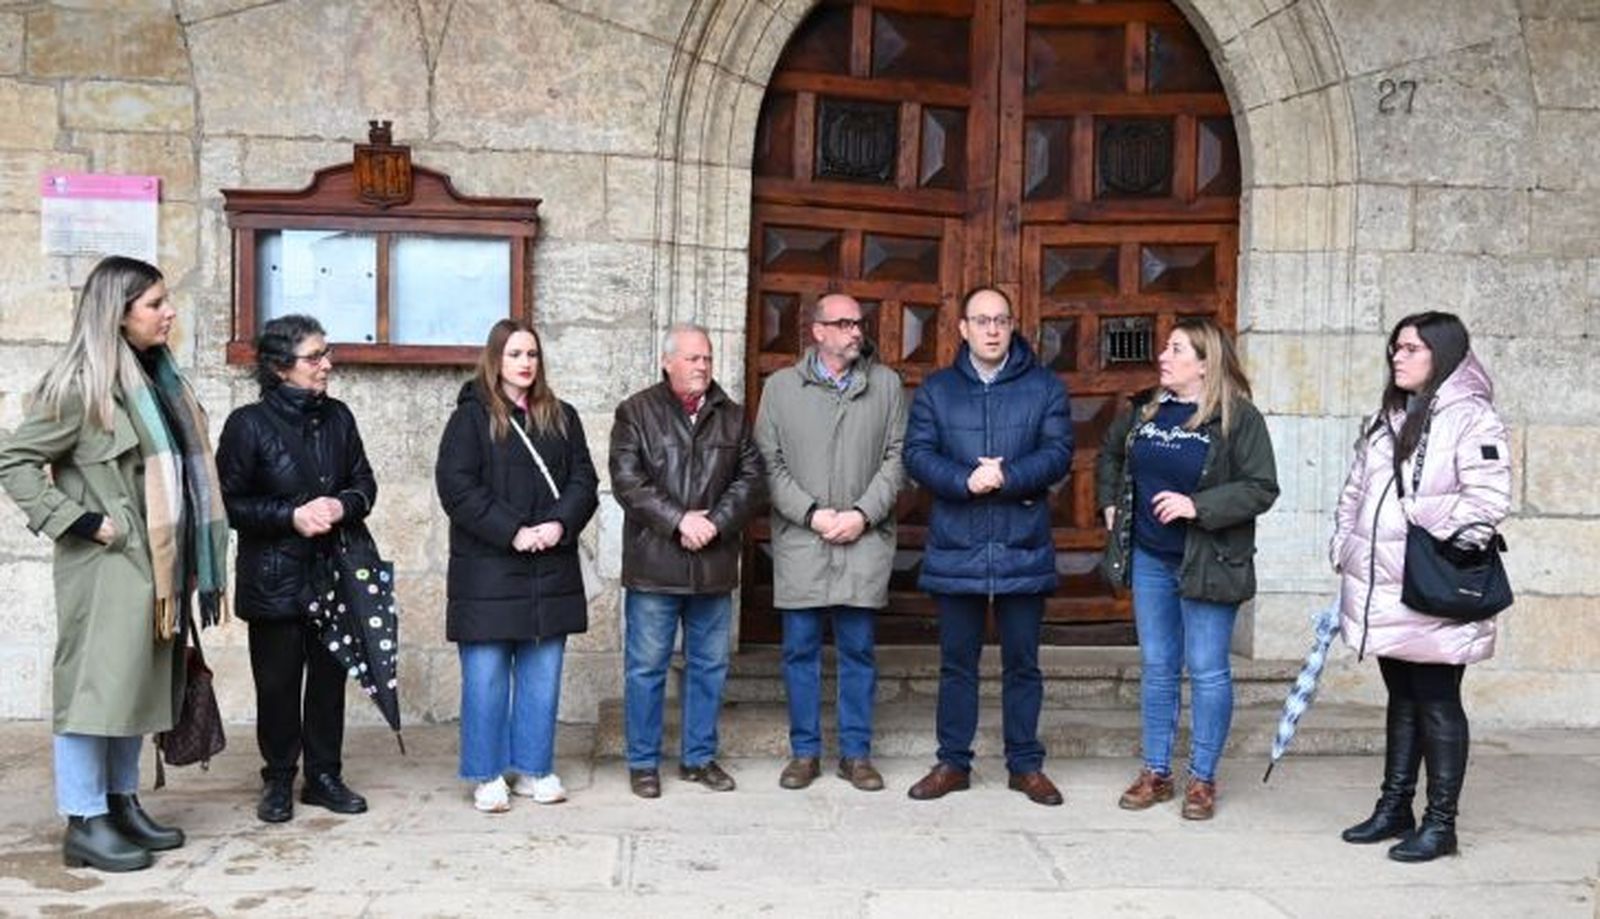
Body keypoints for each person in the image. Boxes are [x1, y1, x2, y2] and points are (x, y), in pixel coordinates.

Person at [0, 256, 229, 871]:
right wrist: (80, 521)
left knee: (138, 687)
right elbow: (13, 461)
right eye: (155, 303)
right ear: (118, 314)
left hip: (159, 568)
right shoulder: (80, 386)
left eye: (165, 300)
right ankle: (84, 819)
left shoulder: (159, 381)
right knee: (93, 691)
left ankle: (121, 803)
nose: (169, 312)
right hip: (106, 567)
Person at [1331, 311, 1509, 862]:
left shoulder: (1471, 417)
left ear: (1443, 353)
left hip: (1433, 581)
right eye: (1396, 347)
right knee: (1403, 697)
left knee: (1436, 700)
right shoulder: (1389, 415)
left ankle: (1441, 823)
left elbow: (1487, 501)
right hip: (1385, 582)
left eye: (1411, 348)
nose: (1398, 357)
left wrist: (1417, 519)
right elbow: (1355, 491)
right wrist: (1344, 544)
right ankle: (1394, 808)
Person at [1095, 316, 1279, 820]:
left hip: (1210, 560)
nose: (1164, 356)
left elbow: (1262, 487)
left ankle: (1202, 778)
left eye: (1176, 350)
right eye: (1166, 348)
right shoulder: (1145, 412)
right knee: (1157, 666)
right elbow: (1110, 455)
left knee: (1207, 669)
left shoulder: (1238, 417)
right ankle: (1156, 772)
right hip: (1151, 558)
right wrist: (1110, 503)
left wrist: (1198, 506)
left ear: (1204, 363)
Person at [903, 287, 1073, 807]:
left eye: (1000, 320)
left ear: (1012, 325)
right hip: (958, 544)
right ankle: (953, 763)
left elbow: (1059, 453)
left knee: (1023, 664)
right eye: (981, 321)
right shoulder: (937, 389)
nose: (992, 330)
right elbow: (917, 454)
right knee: (957, 663)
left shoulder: (1045, 387)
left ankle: (1026, 766)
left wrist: (1008, 475)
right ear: (963, 329)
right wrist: (964, 479)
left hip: (1023, 545)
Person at [215, 315, 378, 823]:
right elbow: (229, 503)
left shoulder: (340, 417)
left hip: (333, 574)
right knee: (278, 686)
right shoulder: (247, 425)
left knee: (329, 683)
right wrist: (290, 517)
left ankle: (324, 776)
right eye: (315, 357)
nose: (327, 364)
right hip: (275, 577)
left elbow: (365, 483)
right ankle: (279, 778)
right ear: (280, 367)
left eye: (327, 353)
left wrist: (342, 505)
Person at [435, 319, 599, 813]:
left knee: (541, 676)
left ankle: (534, 767)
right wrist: (513, 530)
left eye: (532, 354)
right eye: (514, 354)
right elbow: (457, 488)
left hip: (550, 567)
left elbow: (584, 481)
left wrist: (557, 525)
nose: (525, 363)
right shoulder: (470, 420)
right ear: (495, 360)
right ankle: (486, 773)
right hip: (488, 571)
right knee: (485, 678)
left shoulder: (562, 417)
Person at [754, 293, 905, 792]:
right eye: (843, 324)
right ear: (817, 331)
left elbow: (897, 458)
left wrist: (862, 514)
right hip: (803, 540)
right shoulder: (781, 388)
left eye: (858, 323)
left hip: (863, 539)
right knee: (800, 651)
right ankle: (805, 753)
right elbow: (768, 463)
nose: (855, 332)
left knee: (858, 651)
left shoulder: (886, 385)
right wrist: (812, 514)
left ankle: (856, 755)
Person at [610, 323, 766, 798]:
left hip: (713, 567)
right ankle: (643, 762)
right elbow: (627, 481)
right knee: (646, 669)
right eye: (693, 358)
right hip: (655, 567)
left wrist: (714, 522)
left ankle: (699, 758)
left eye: (707, 358)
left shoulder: (733, 416)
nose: (702, 366)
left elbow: (753, 480)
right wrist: (679, 520)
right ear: (667, 362)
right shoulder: (636, 411)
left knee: (709, 667)